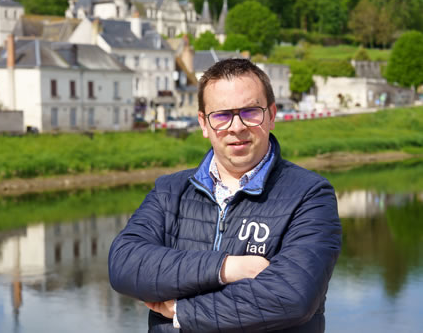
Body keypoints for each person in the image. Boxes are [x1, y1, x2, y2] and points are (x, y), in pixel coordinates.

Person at [109, 58, 342, 332]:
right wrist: (228, 268)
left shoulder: (310, 195)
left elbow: (292, 297)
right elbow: (124, 264)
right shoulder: (169, 191)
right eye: (221, 116)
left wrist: (182, 310)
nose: (237, 126)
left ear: (272, 115)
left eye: (251, 112)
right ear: (204, 124)